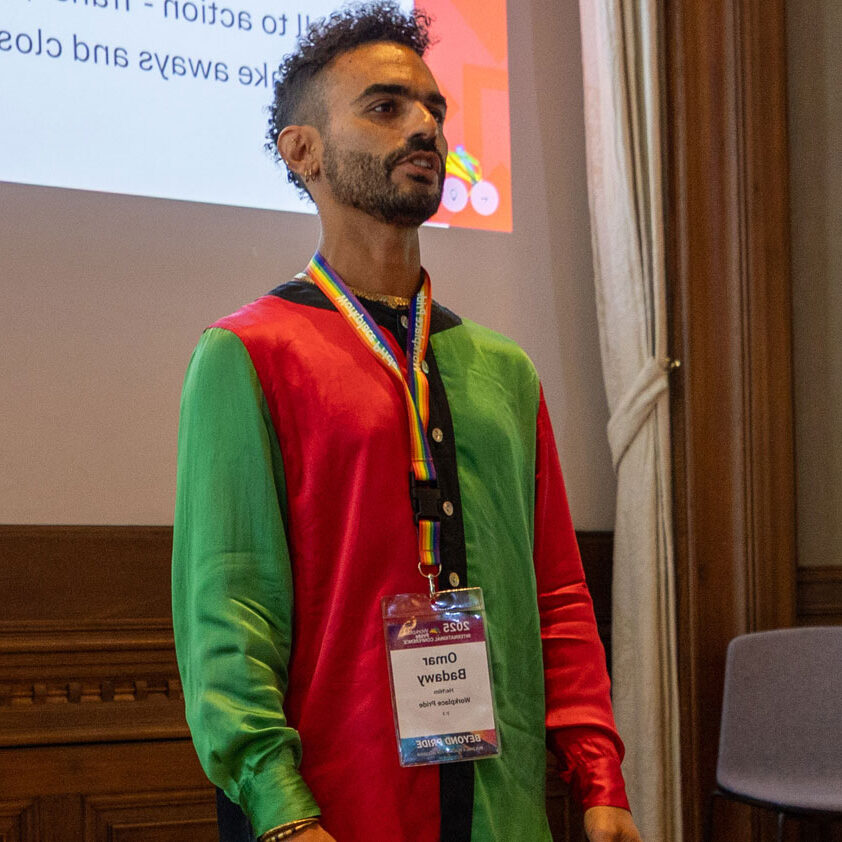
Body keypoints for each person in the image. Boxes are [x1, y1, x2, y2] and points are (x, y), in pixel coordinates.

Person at [172, 3, 644, 841]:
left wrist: (600, 779)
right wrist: (281, 811)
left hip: (502, 808)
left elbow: (559, 594)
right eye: (386, 107)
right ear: (303, 151)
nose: (425, 126)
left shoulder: (503, 370)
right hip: (333, 812)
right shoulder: (246, 354)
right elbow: (229, 611)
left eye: (434, 108)